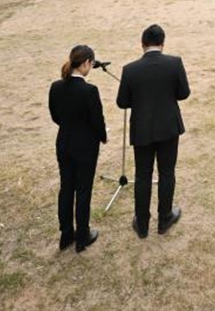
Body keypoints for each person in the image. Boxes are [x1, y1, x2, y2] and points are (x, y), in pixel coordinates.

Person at [117, 25, 190, 238]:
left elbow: (122, 102)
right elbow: (183, 93)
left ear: (142, 44)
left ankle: (142, 223)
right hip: (168, 127)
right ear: (163, 43)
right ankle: (164, 217)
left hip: (142, 129)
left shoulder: (130, 69)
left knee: (142, 175)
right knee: (167, 172)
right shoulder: (174, 63)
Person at [49, 44, 107, 252]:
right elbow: (97, 121)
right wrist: (102, 136)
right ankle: (82, 235)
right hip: (85, 147)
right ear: (85, 63)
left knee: (66, 188)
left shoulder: (56, 86)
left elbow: (55, 116)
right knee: (83, 191)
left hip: (64, 143)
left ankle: (66, 234)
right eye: (91, 63)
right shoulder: (89, 91)